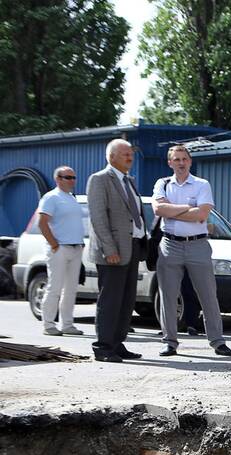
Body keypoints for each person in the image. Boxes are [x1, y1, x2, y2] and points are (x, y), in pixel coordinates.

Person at [152, 144, 231, 357]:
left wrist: (173, 211)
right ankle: (169, 341)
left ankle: (217, 341)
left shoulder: (201, 184)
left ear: (190, 161)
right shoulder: (162, 183)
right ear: (170, 162)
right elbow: (159, 209)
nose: (180, 163)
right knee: (168, 296)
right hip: (170, 245)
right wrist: (189, 208)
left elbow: (202, 215)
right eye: (176, 159)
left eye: (184, 159)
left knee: (208, 295)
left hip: (198, 245)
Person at [86, 139, 146, 362]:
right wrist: (109, 248)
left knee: (127, 299)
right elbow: (98, 218)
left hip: (132, 248)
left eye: (131, 154)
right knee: (110, 300)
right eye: (125, 154)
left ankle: (117, 342)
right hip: (112, 251)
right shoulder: (100, 180)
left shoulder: (128, 180)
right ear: (111, 157)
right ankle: (102, 347)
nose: (130, 158)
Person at [38, 166, 85, 337]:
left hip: (75, 247)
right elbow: (42, 222)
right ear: (58, 179)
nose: (72, 180)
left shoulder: (71, 198)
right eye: (68, 177)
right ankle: (48, 324)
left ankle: (67, 324)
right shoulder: (51, 197)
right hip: (60, 248)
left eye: (74, 177)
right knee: (55, 288)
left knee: (71, 289)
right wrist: (54, 245)